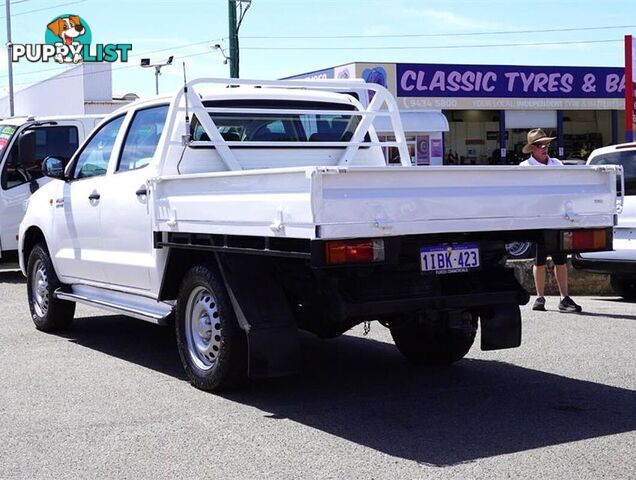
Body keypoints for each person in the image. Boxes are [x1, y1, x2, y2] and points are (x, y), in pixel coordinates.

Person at [519, 128, 582, 313]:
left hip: (557, 217)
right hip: (538, 219)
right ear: (532, 149)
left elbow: (565, 188)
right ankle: (539, 298)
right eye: (540, 145)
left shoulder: (557, 163)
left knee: (560, 260)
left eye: (546, 144)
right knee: (539, 260)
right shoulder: (525, 167)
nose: (545, 148)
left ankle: (564, 298)